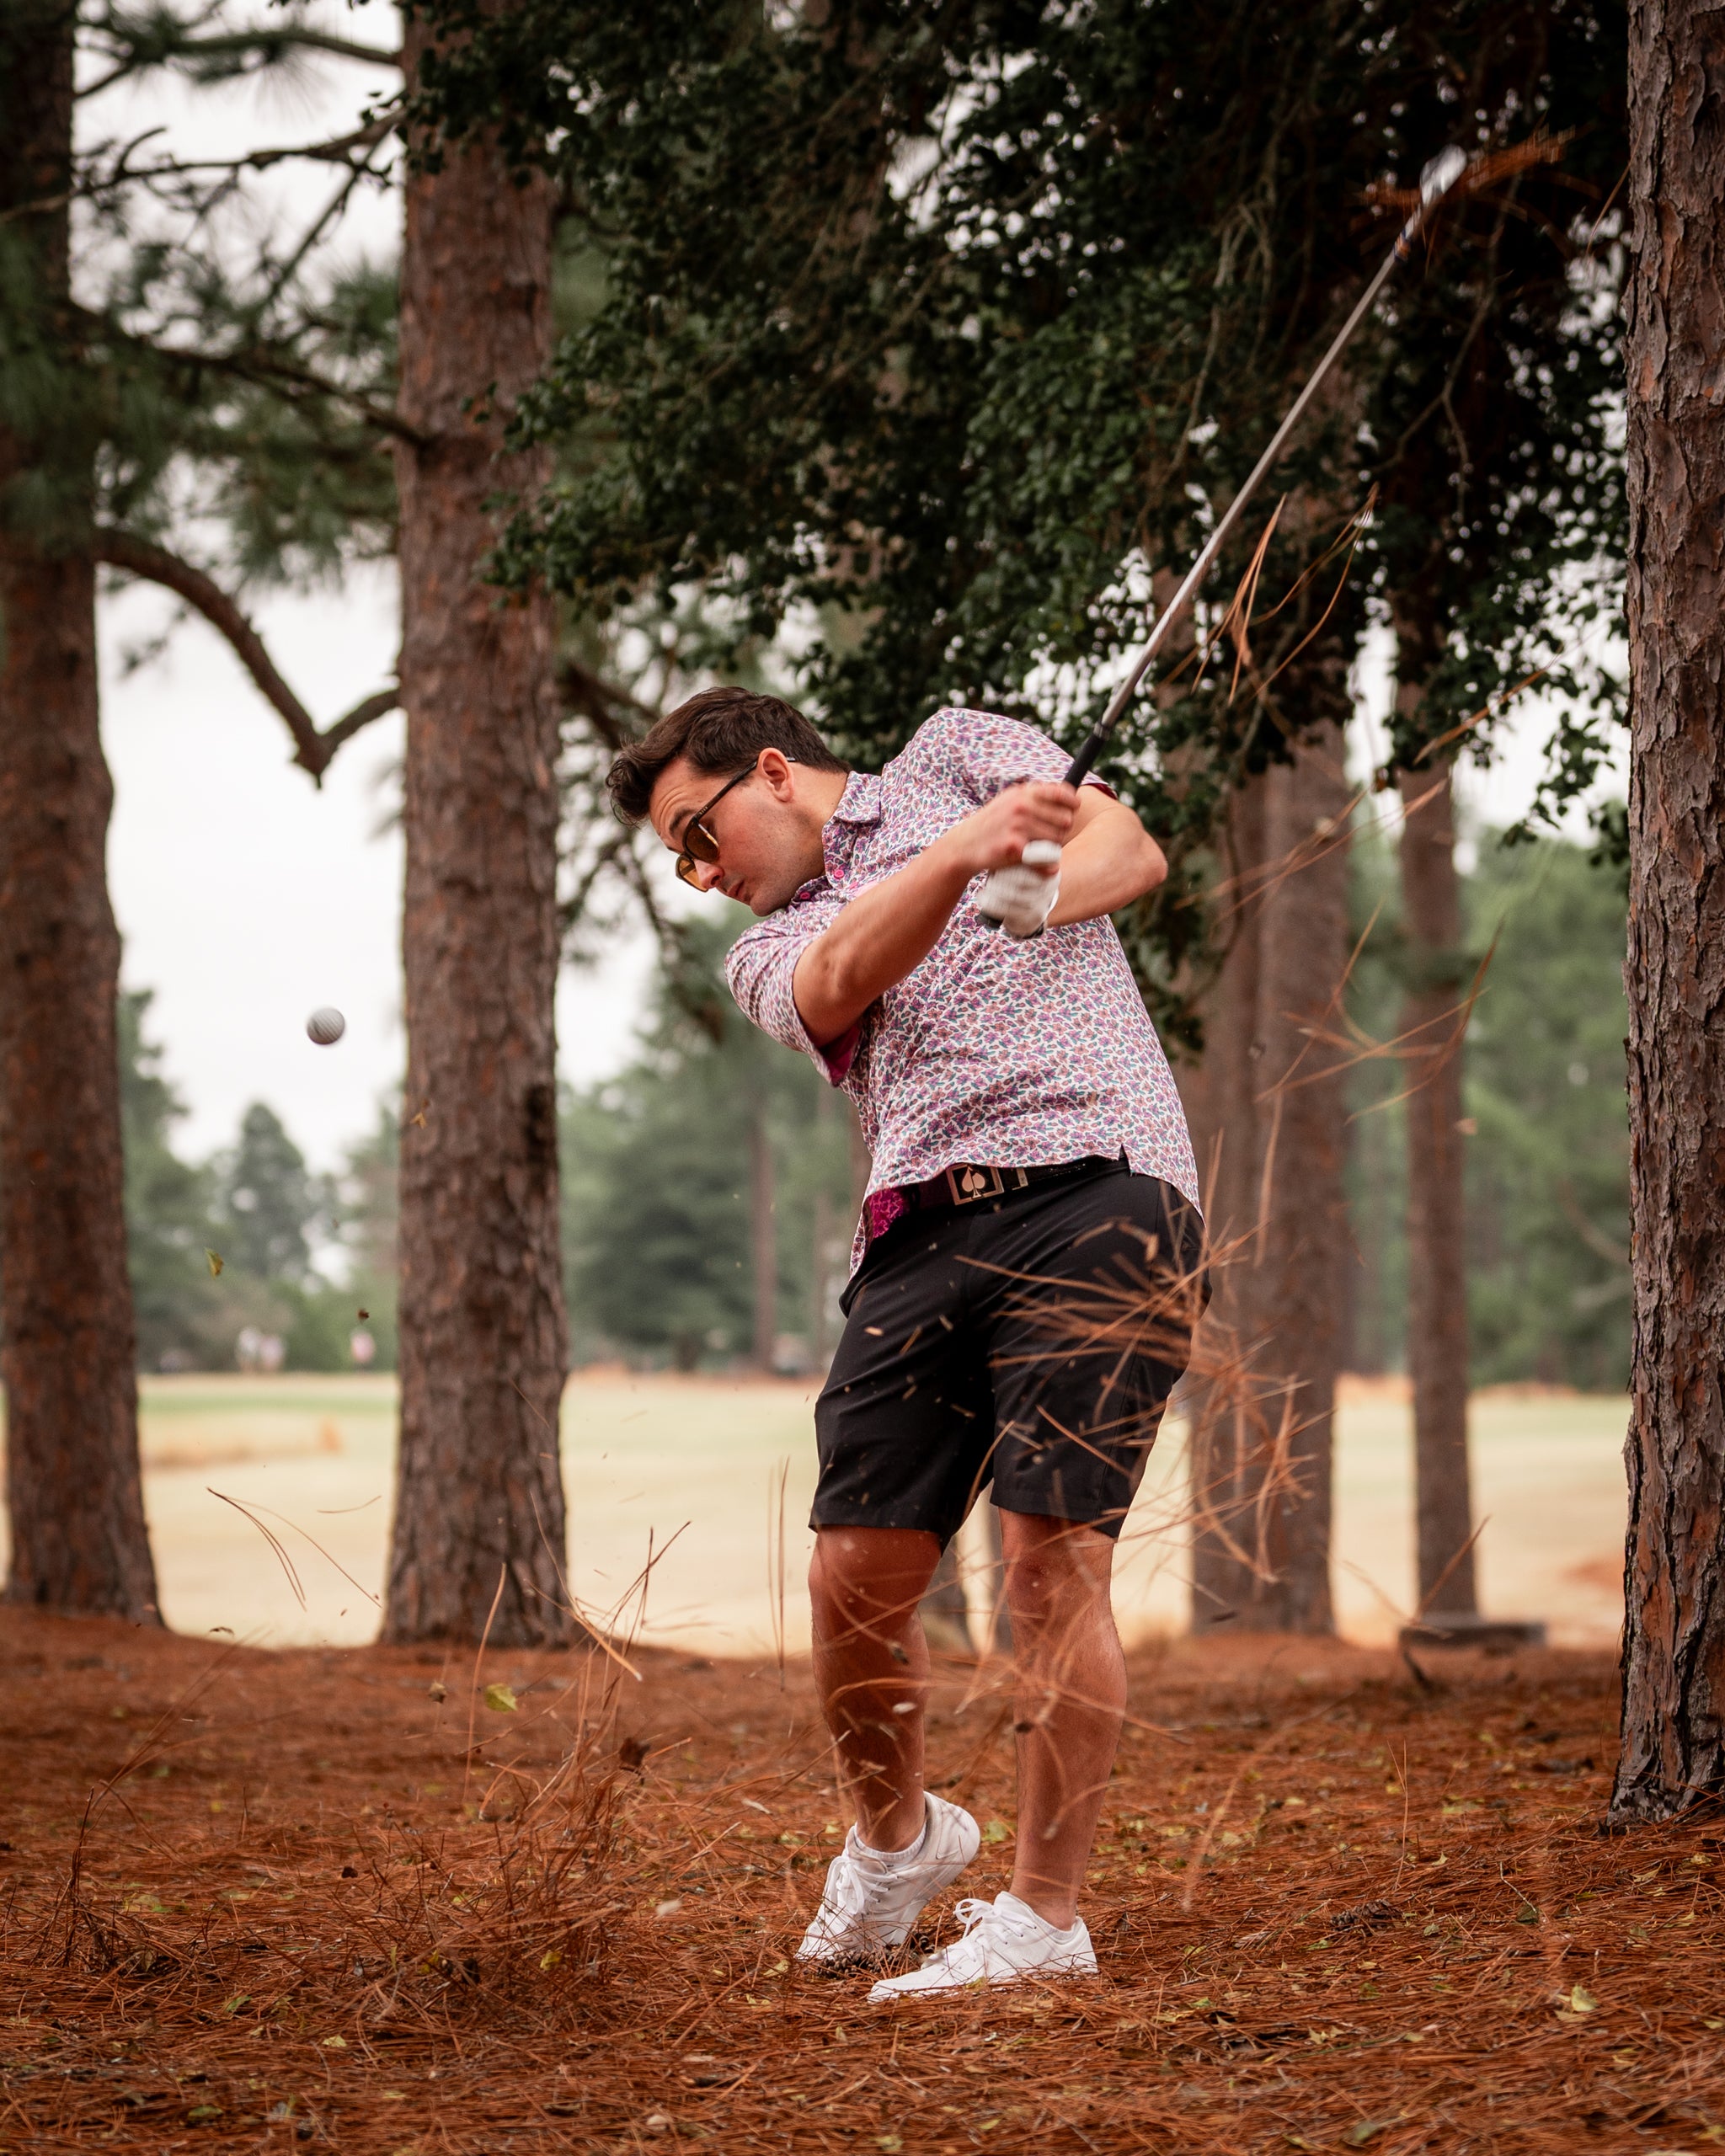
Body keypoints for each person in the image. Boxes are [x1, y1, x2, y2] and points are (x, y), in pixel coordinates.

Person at [607, 685, 1204, 2002]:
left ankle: (1046, 1919)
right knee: (851, 1581)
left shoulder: (959, 749)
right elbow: (838, 980)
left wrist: (1036, 884)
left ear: (770, 772)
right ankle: (901, 1844)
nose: (702, 878)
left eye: (698, 838)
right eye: (677, 863)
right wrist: (957, 859)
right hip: (923, 1232)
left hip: (1103, 1182)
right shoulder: (776, 942)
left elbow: (1127, 846)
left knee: (1050, 1567)